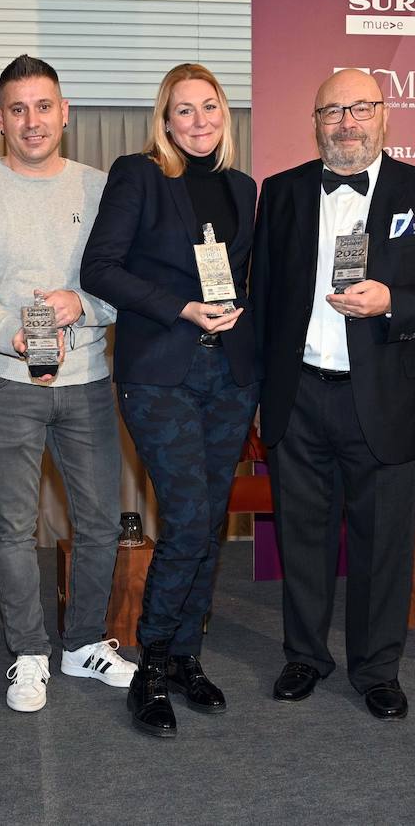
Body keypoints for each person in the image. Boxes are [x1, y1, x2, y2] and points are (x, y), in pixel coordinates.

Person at [250, 68, 415, 721]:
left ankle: (377, 670)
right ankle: (304, 656)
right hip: (299, 397)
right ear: (316, 121)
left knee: (384, 544)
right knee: (303, 537)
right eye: (332, 111)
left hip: (385, 399)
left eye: (359, 109)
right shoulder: (284, 191)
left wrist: (395, 302)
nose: (346, 123)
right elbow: (264, 297)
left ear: (384, 115)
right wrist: (259, 396)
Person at [0, 54, 134, 712]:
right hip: (6, 383)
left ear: (65, 112)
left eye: (43, 106)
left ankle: (83, 644)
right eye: (17, 109)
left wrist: (86, 304)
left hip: (86, 380)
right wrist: (9, 334)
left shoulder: (101, 187)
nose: (32, 121)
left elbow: (124, 283)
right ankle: (27, 654)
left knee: (101, 522)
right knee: (15, 529)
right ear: (0, 119)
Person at [80, 63, 258, 738]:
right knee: (186, 518)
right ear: (164, 120)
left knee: (209, 522)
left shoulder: (243, 187)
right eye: (182, 111)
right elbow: (99, 267)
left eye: (207, 107)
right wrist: (183, 307)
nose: (197, 121)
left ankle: (187, 655)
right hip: (159, 374)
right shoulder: (140, 175)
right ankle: (150, 664)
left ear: (223, 113)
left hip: (228, 378)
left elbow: (245, 278)